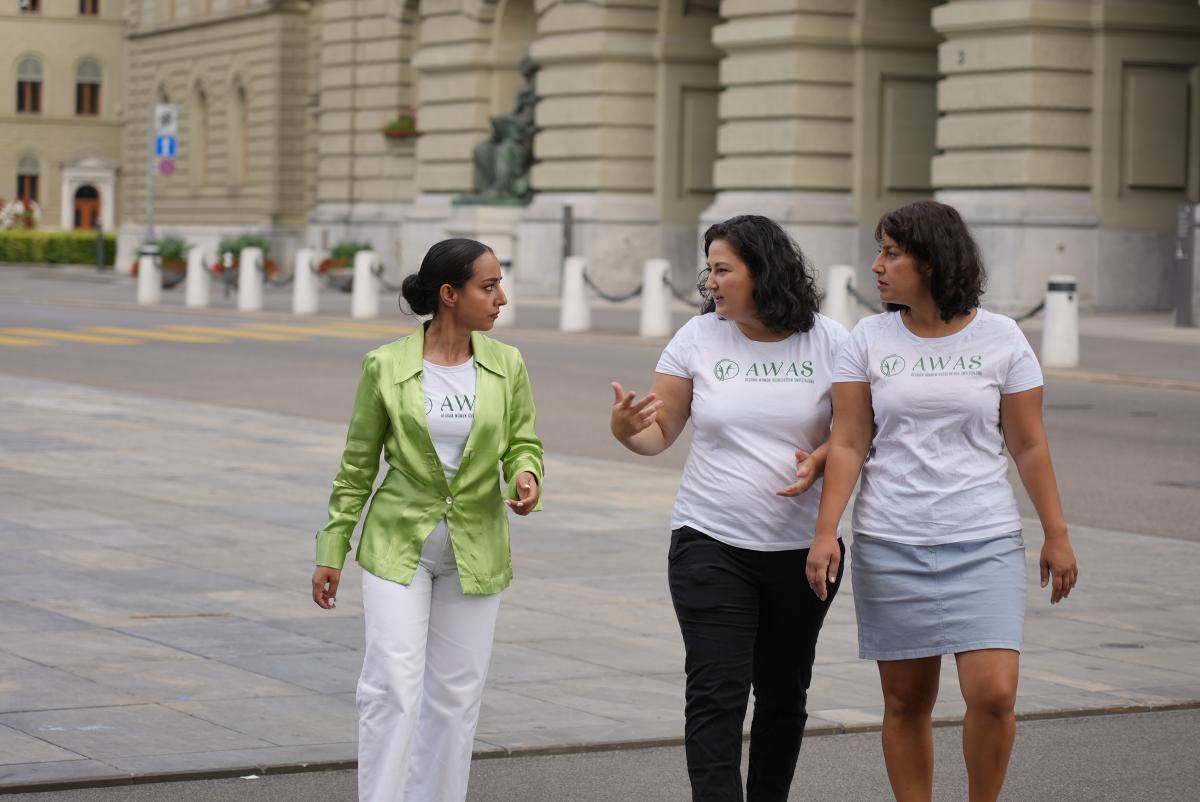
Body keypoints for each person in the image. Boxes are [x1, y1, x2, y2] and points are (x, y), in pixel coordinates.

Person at [806, 200, 1079, 802]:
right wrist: (827, 532)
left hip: (983, 536)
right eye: (880, 251)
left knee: (994, 693)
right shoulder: (869, 338)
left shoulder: (1001, 337)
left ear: (930, 262)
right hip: (891, 538)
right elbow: (849, 441)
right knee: (905, 701)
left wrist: (1056, 533)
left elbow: (1029, 445)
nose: (877, 265)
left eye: (891, 253)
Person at [610, 215, 849, 802]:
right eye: (709, 270)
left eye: (724, 270)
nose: (710, 283)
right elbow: (658, 432)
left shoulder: (830, 341)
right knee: (716, 691)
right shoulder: (698, 338)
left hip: (803, 552)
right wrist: (625, 432)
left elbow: (858, 437)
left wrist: (818, 458)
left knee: (784, 694)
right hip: (710, 541)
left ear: (762, 274)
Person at [310, 238, 544, 802]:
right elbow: (357, 467)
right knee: (391, 685)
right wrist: (332, 548)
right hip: (399, 543)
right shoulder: (386, 366)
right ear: (449, 294)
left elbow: (522, 443)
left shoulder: (506, 364)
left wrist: (526, 478)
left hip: (477, 545)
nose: (501, 298)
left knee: (457, 695)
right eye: (488, 286)